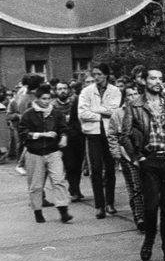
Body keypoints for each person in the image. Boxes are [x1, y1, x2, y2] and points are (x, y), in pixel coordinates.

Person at [120, 68, 165, 261]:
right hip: (149, 160)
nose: (157, 82)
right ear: (144, 81)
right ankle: (148, 241)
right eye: (153, 78)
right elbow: (124, 135)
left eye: (160, 78)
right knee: (150, 206)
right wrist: (137, 157)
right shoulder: (135, 105)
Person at [17, 85, 72, 224]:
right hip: (34, 153)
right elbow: (23, 133)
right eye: (43, 99)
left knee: (59, 181)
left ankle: (63, 211)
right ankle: (38, 211)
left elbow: (63, 128)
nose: (46, 102)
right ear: (37, 99)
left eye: (49, 99)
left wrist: (64, 137)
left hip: (53, 151)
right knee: (36, 185)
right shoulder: (29, 114)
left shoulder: (56, 113)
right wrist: (42, 134)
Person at [79, 63, 121, 219]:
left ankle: (110, 203)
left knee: (110, 169)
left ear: (106, 75)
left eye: (99, 74)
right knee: (95, 169)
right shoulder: (86, 91)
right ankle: (99, 205)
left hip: (109, 132)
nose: (96, 77)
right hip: (93, 133)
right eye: (94, 74)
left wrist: (95, 109)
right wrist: (102, 115)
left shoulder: (115, 91)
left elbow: (115, 110)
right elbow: (82, 113)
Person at [108, 85, 146, 231]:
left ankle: (147, 215)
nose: (133, 97)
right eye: (130, 95)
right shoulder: (118, 114)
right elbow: (112, 135)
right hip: (127, 155)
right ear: (125, 98)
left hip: (144, 154)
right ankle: (139, 216)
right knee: (135, 186)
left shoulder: (144, 111)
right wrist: (117, 153)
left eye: (136, 94)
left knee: (147, 187)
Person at [53, 82, 85, 202]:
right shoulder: (53, 105)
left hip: (77, 135)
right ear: (55, 91)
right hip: (64, 137)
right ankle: (75, 191)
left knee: (78, 164)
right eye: (60, 89)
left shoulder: (75, 102)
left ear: (69, 90)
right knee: (70, 164)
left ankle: (75, 188)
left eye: (65, 88)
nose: (63, 91)